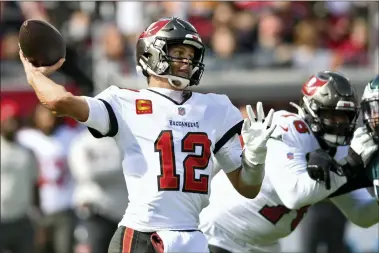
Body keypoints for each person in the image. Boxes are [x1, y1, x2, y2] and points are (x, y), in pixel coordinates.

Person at [19, 17, 276, 252]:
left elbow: (248, 187)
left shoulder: (216, 108)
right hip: (143, 235)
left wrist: (256, 157)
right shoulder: (125, 102)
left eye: (191, 54)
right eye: (178, 52)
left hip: (192, 237)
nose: (187, 61)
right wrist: (33, 75)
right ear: (152, 53)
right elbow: (61, 102)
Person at [199, 71, 379, 253]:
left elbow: (360, 214)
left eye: (345, 116)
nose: (340, 124)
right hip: (219, 234)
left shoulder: (340, 150)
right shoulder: (288, 128)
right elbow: (294, 195)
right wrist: (349, 166)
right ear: (311, 109)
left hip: (263, 246)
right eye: (332, 115)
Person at [0, 99, 39, 253]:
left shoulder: (27, 152)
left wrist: (38, 215)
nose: (12, 125)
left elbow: (34, 184)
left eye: (15, 121)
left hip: (22, 218)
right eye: (9, 121)